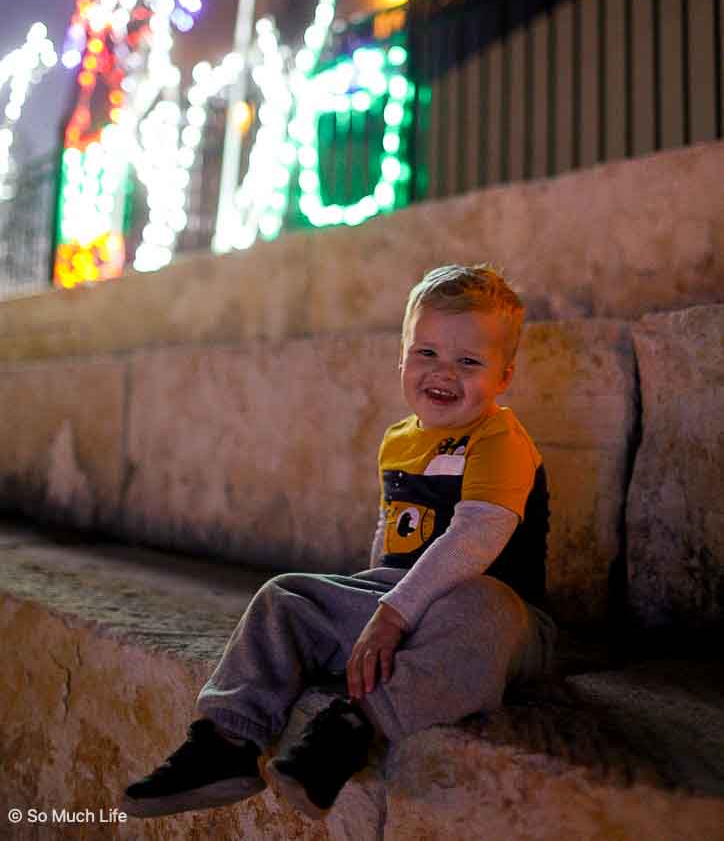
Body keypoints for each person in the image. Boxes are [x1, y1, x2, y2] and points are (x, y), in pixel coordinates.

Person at [122, 263, 556, 821]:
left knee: (481, 609)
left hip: (504, 618)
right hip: (402, 598)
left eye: (468, 361)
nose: (443, 372)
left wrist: (392, 616)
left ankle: (352, 728)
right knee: (287, 596)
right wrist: (360, 618)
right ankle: (225, 742)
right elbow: (388, 541)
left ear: (503, 377)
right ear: (401, 357)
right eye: (426, 353)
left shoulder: (501, 440)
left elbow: (475, 537)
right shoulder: (398, 441)